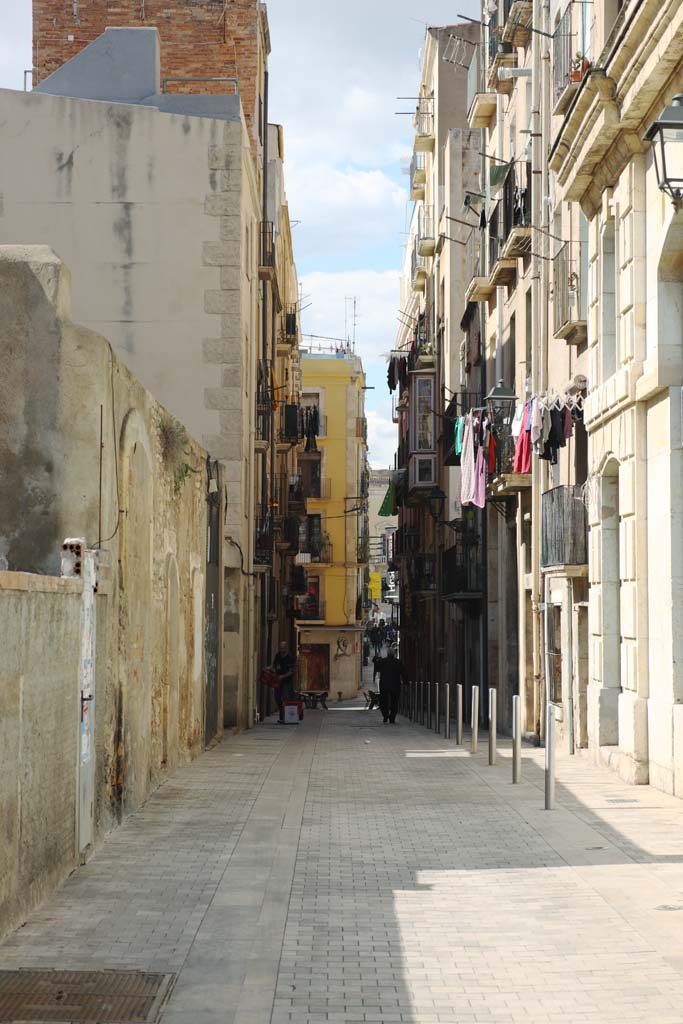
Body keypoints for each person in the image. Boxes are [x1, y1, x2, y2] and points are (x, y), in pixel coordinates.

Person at [377, 646, 404, 724]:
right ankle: (392, 718)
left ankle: (385, 715)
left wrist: (378, 658)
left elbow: (377, 667)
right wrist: (406, 682)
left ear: (388, 654)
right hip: (395, 684)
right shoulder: (398, 662)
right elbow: (403, 672)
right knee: (394, 702)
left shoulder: (383, 661)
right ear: (394, 654)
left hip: (384, 684)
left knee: (383, 701)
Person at [273, 641, 295, 723]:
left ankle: (284, 718)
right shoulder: (278, 656)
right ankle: (282, 716)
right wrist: (269, 669)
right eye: (280, 647)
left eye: (283, 647)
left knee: (284, 698)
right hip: (278, 681)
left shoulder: (290, 657)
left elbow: (292, 671)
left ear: (286, 648)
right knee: (277, 697)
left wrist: (283, 676)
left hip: (287, 682)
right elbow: (274, 666)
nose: (281, 649)